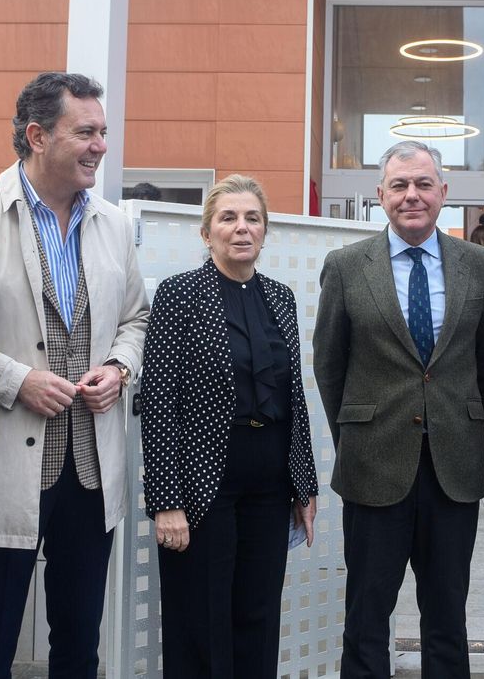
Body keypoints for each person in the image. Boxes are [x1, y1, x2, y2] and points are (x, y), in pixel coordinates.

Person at [0, 72, 150, 679]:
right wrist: (15, 380)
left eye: (103, 132)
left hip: (91, 471)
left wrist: (119, 367)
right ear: (36, 135)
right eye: (85, 132)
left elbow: (136, 317)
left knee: (79, 645)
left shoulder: (113, 224)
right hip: (4, 462)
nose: (101, 146)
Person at [314, 140, 484, 678]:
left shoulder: (480, 265)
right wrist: (359, 434)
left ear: (443, 192)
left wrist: (464, 420)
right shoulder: (347, 266)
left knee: (447, 616)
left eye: (423, 184)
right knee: (367, 615)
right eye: (399, 185)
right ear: (380, 196)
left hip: (454, 469)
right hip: (373, 466)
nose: (412, 195)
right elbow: (330, 366)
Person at [140, 174, 319, 677]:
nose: (242, 228)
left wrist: (304, 484)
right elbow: (158, 402)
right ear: (207, 232)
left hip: (270, 480)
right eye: (228, 218)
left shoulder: (281, 297)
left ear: (264, 231)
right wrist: (166, 500)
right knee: (200, 617)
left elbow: (294, 397)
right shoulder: (179, 295)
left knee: (257, 614)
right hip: (202, 480)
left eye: (253, 218)